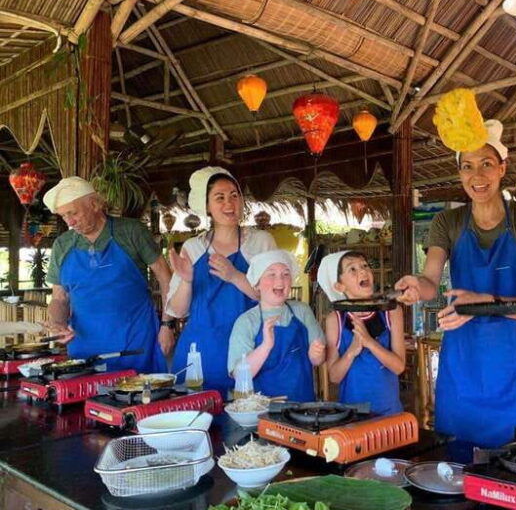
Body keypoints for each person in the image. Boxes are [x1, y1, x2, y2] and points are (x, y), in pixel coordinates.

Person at [396, 119, 516, 447]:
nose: (477, 176)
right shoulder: (448, 222)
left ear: (502, 168)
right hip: (462, 371)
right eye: (467, 166)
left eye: (486, 164)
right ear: (459, 173)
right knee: (457, 474)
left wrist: (482, 303)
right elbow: (430, 280)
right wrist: (416, 286)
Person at [166, 167, 276, 396]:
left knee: (247, 419)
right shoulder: (193, 248)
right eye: (220, 197)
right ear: (206, 206)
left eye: (234, 196)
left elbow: (272, 297)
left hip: (249, 350)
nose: (229, 203)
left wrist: (234, 276)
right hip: (201, 351)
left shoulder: (260, 242)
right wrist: (186, 281)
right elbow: (177, 310)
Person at [43, 177, 169, 373]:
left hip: (135, 342)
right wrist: (58, 323)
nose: (70, 222)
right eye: (64, 216)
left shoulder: (131, 231)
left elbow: (165, 277)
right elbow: (59, 298)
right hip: (84, 347)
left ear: (95, 204)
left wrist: (168, 325)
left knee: (137, 399)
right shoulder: (62, 245)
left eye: (73, 213)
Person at [227, 251, 325, 401]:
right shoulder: (246, 322)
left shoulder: (302, 311)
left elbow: (318, 360)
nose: (280, 280)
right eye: (271, 274)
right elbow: (239, 376)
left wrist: (316, 354)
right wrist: (266, 346)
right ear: (257, 284)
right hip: (261, 411)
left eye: (286, 274)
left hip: (303, 408)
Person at [319, 251, 405, 416]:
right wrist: (352, 351)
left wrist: (370, 343)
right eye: (352, 269)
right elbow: (334, 377)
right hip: (352, 416)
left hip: (389, 413)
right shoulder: (335, 320)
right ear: (339, 286)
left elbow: (399, 367)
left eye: (365, 265)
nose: (363, 271)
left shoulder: (392, 312)